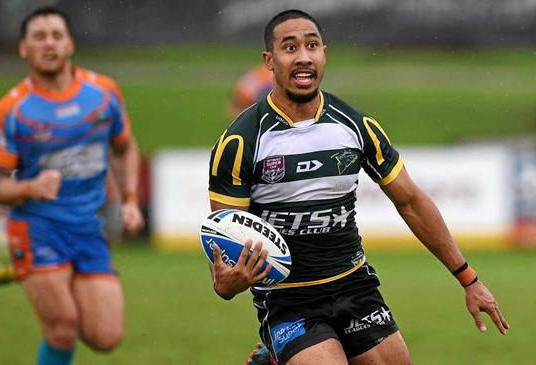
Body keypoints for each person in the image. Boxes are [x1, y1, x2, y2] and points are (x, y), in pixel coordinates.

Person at [207, 9, 509, 365]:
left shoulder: (355, 125)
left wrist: (470, 280)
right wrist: (228, 282)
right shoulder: (241, 141)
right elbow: (228, 247)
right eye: (290, 48)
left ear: (324, 54)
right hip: (289, 300)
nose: (303, 57)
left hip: (354, 286)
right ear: (269, 61)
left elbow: (411, 201)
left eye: (312, 45)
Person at [0, 6, 143, 365]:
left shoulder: (103, 93)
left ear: (70, 44)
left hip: (89, 227)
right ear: (23, 49)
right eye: (38, 37)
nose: (48, 43)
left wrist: (130, 199)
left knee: (106, 337)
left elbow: (125, 146)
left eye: (56, 35)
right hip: (38, 228)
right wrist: (29, 188)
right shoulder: (11, 110)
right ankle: (36, 270)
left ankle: (41, 275)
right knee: (62, 327)